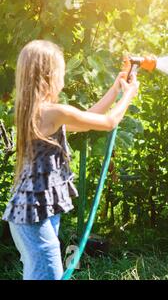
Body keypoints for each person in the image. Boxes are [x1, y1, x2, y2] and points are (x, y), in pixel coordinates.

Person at [1, 40, 139, 280]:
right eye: (61, 71)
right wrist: (129, 94)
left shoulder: (36, 111)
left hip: (35, 212)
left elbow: (88, 119)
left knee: (39, 273)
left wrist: (116, 89)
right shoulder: (53, 112)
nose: (63, 77)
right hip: (34, 217)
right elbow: (109, 122)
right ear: (50, 75)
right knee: (49, 274)